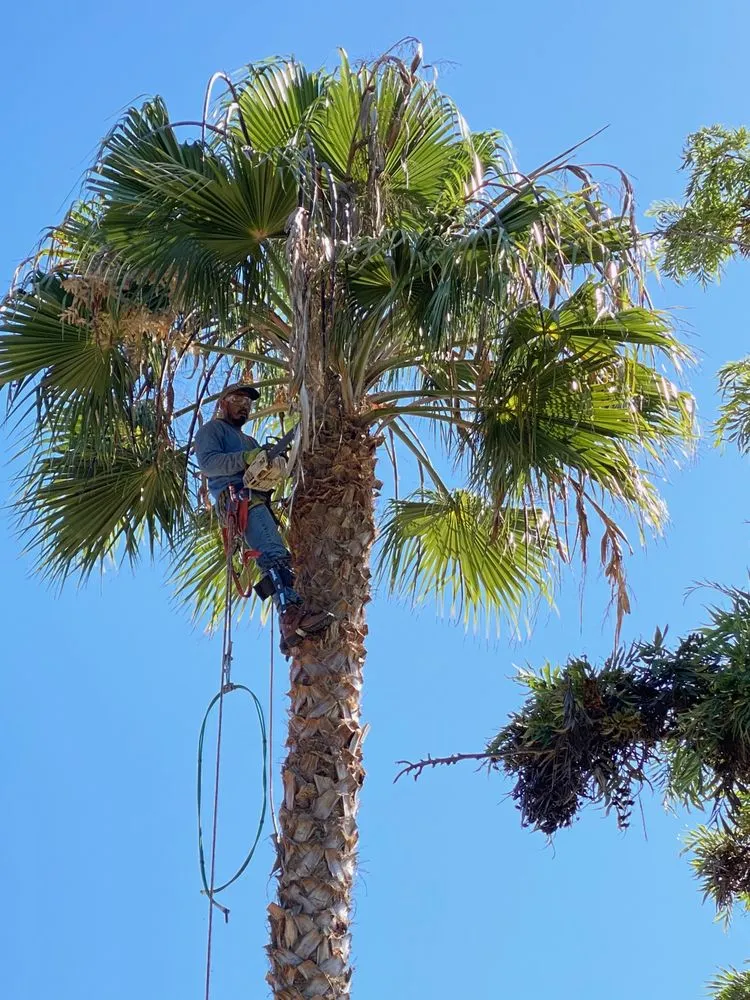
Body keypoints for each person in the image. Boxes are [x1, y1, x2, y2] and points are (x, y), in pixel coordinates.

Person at [193, 383, 331, 651]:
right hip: (238, 500)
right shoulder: (212, 431)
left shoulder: (252, 441)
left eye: (248, 402)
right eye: (237, 400)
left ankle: (292, 618)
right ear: (223, 403)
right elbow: (210, 464)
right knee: (273, 553)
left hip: (257, 500)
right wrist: (245, 458)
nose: (244, 405)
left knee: (278, 554)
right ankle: (291, 617)